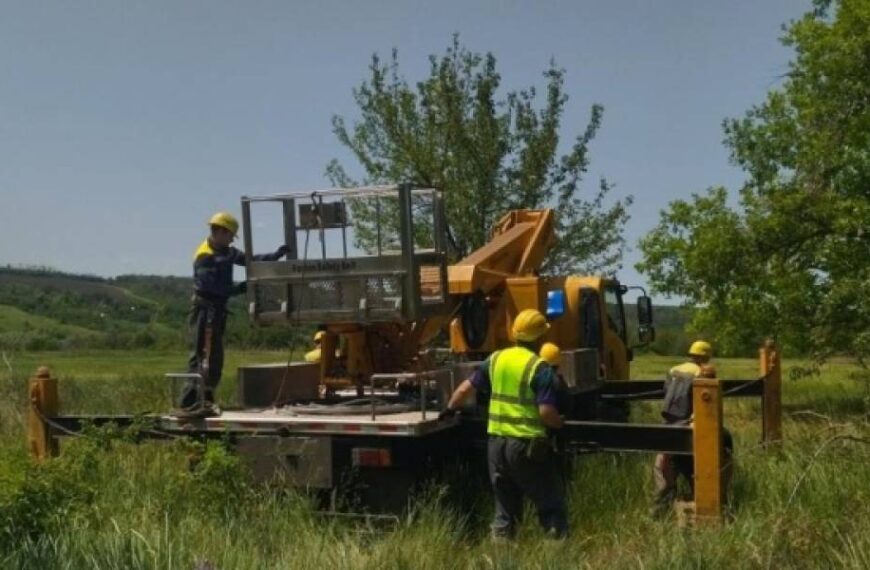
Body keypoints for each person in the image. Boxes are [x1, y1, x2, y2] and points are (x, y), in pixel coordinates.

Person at [441, 309, 567, 539]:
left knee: (505, 511)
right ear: (540, 338)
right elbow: (546, 412)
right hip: (525, 446)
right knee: (551, 505)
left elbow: (465, 389)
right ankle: (556, 551)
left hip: (496, 446)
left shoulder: (496, 359)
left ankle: (500, 554)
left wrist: (449, 409)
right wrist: (560, 424)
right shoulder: (540, 368)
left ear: (515, 334)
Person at [179, 212, 288, 413]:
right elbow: (212, 287)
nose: (231, 240)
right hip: (204, 310)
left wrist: (275, 256)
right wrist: (241, 287)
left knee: (215, 357)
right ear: (221, 232)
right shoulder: (205, 256)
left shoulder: (227, 251)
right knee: (201, 354)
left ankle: (206, 398)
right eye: (230, 236)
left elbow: (249, 260)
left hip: (217, 310)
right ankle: (189, 401)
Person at [651, 340, 734, 517]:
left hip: (669, 425)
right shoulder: (701, 373)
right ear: (706, 357)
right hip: (691, 424)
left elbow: (666, 392)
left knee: (662, 467)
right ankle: (718, 500)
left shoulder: (673, 370)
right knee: (723, 449)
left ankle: (659, 507)